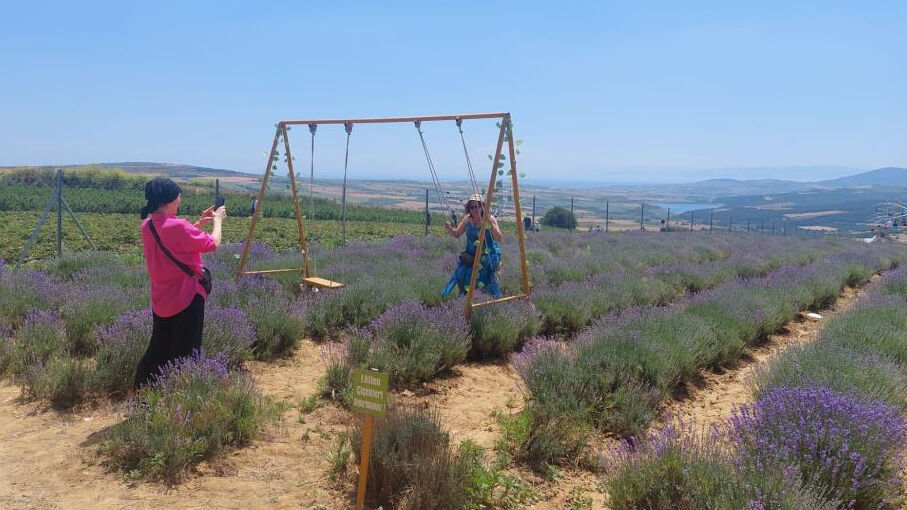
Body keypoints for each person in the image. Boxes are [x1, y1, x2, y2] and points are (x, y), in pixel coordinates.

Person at [134, 177, 226, 388]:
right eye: (178, 196)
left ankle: (141, 392)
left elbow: (172, 239)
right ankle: (182, 399)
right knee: (187, 352)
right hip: (186, 298)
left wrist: (199, 224)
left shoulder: (147, 226)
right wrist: (218, 221)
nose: (180, 200)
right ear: (168, 201)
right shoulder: (178, 227)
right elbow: (213, 244)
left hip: (161, 299)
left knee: (158, 348)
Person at [441, 194, 504, 299]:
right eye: (472, 207)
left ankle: (487, 299)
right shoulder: (467, 219)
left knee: (481, 276)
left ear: (482, 207)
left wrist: (492, 227)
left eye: (477, 206)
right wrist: (450, 229)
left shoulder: (489, 219)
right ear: (468, 208)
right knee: (462, 274)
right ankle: (465, 299)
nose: (474, 209)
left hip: (487, 255)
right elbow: (457, 234)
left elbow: (499, 238)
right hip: (471, 255)